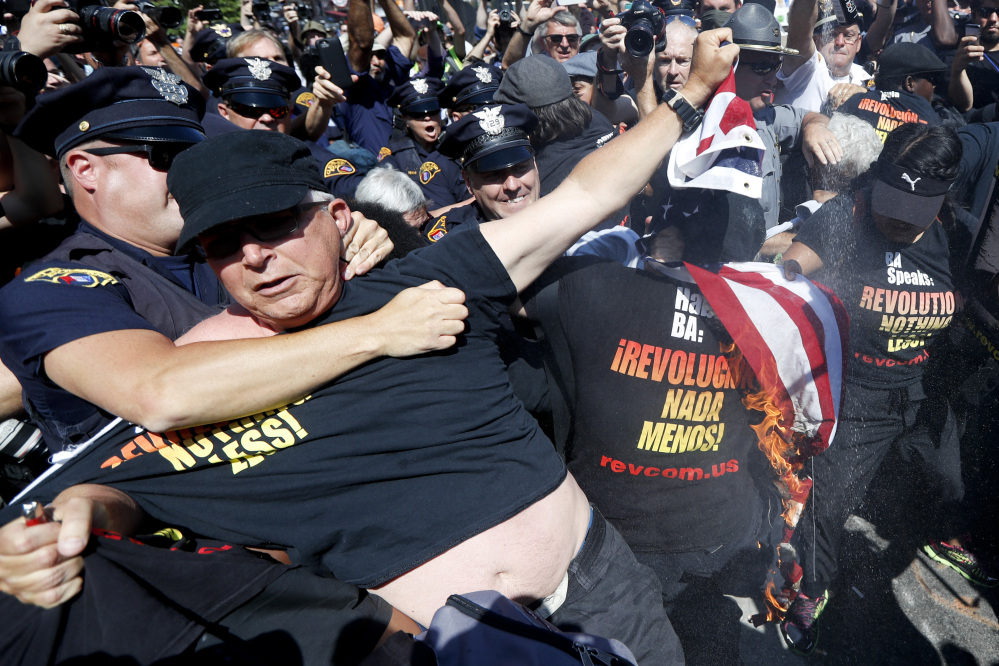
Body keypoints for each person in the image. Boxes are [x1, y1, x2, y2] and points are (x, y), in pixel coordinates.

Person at [0, 28, 744, 664]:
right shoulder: (205, 364)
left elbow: (585, 196)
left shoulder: (429, 278)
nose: (255, 255)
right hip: (451, 650)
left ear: (333, 217)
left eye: (273, 225)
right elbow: (128, 471)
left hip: (606, 593)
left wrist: (687, 97)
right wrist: (82, 513)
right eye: (224, 243)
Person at [779, 123, 978, 654]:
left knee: (949, 484)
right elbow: (791, 265)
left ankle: (937, 532)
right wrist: (781, 275)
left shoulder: (960, 236)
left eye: (913, 211)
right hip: (858, 391)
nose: (895, 220)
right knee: (828, 506)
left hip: (923, 387)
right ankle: (811, 590)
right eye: (890, 202)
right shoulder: (851, 213)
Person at [203, 57, 365, 198]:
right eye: (251, 110)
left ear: (290, 111)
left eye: (277, 110)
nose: (266, 118)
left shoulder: (310, 158)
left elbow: (354, 187)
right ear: (224, 112)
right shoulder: (207, 164)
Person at [423, 104, 541, 242]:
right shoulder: (450, 238)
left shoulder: (565, 215)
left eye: (521, 168)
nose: (512, 185)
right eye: (494, 175)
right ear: (468, 182)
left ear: (535, 165)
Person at [381, 77, 468, 208]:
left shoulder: (459, 142)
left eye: (433, 111)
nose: (427, 118)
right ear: (405, 119)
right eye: (418, 114)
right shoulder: (394, 156)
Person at [948, 0, 999, 121]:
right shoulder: (959, 58)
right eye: (985, 12)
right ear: (973, 16)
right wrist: (958, 71)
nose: (993, 19)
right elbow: (963, 106)